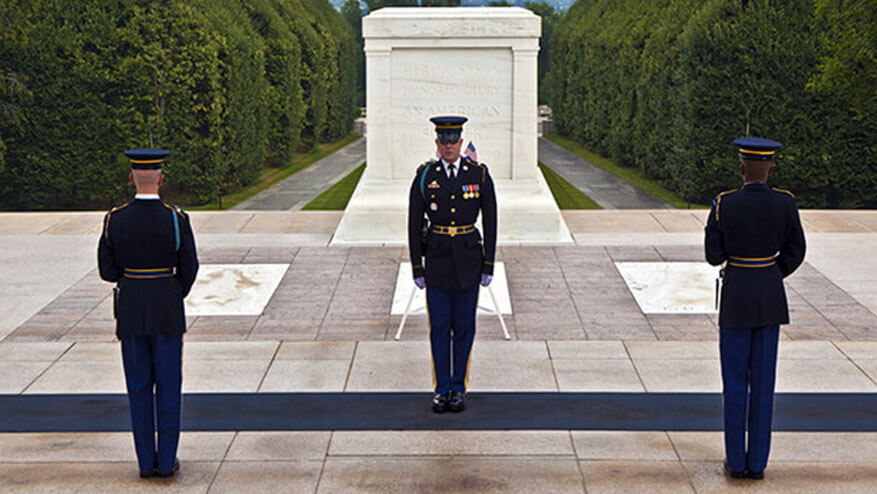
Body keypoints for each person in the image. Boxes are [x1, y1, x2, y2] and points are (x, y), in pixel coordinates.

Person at [705, 137, 806, 480]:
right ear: (770, 169)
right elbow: (796, 251)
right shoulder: (785, 203)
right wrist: (771, 273)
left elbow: (713, 256)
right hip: (769, 297)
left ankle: (736, 463)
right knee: (763, 384)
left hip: (736, 298)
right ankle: (758, 464)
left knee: (734, 383)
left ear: (741, 168)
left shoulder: (724, 204)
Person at [98, 148, 199, 479]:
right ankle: (166, 462)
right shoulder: (175, 218)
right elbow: (189, 267)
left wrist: (133, 281)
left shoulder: (115, 219)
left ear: (131, 178)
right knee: (168, 386)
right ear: (161, 179)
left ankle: (145, 462)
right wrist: (170, 291)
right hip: (166, 307)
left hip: (130, 308)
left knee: (138, 387)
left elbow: (107, 270)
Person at [408, 116, 497, 413]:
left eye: (453, 141)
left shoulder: (479, 175)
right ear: (437, 143)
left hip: (469, 262)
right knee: (439, 328)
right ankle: (441, 389)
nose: (448, 146)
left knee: (464, 328)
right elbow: (413, 224)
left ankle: (458, 388)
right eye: (443, 141)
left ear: (460, 142)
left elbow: (491, 221)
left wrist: (488, 263)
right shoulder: (426, 176)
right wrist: (417, 266)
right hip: (437, 262)